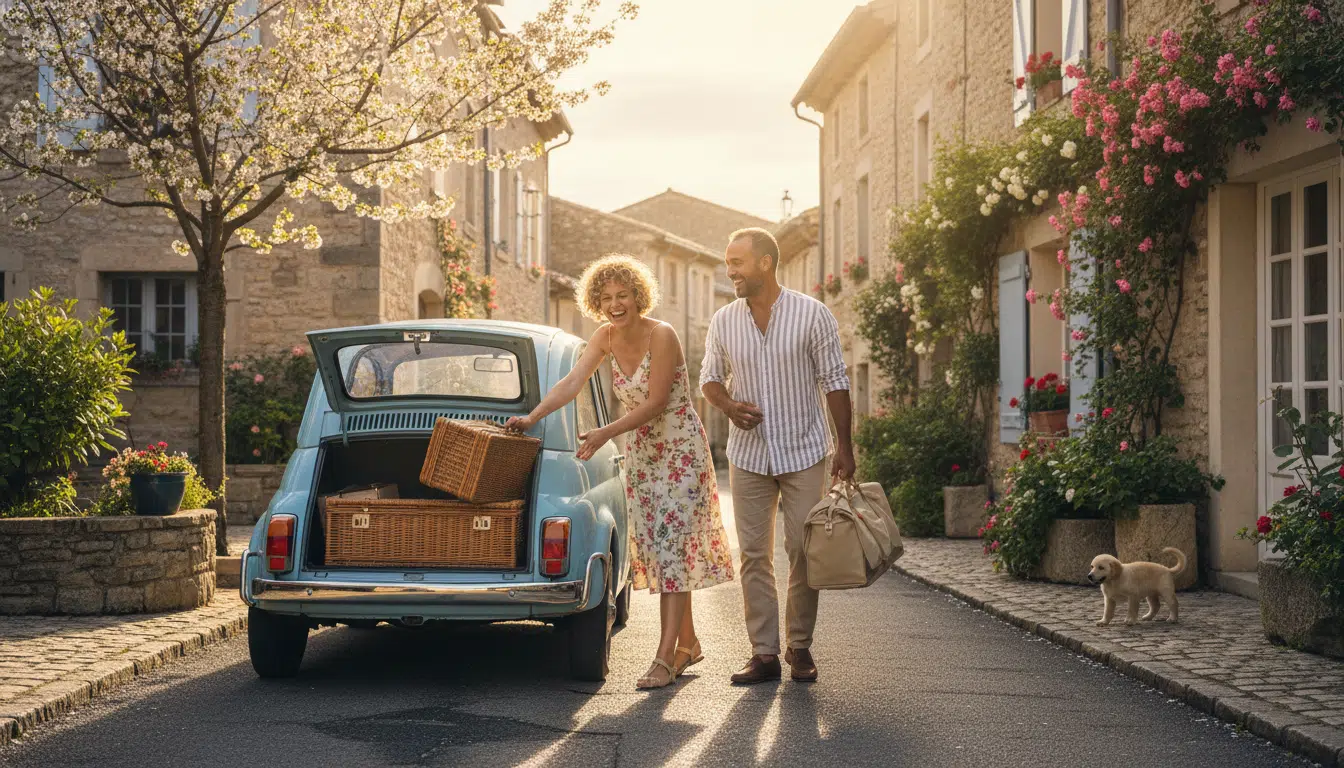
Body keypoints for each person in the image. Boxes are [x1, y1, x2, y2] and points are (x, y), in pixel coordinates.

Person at [505, 253, 735, 690]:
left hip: (680, 451)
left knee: (672, 552)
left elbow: (654, 403)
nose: (616, 304)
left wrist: (602, 433)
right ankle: (688, 643)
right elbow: (572, 382)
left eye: (623, 295)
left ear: (638, 296)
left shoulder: (662, 335)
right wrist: (531, 417)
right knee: (662, 546)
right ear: (597, 301)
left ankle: (665, 659)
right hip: (645, 455)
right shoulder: (605, 337)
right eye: (607, 297)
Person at [700, 227, 853, 685]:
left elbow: (835, 381)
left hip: (804, 449)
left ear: (765, 263)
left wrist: (845, 444)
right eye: (728, 263)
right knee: (753, 554)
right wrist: (728, 406)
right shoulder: (724, 320)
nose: (731, 272)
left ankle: (799, 647)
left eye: (737, 263)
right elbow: (709, 380)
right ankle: (763, 653)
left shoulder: (813, 314)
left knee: (804, 550)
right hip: (748, 454)